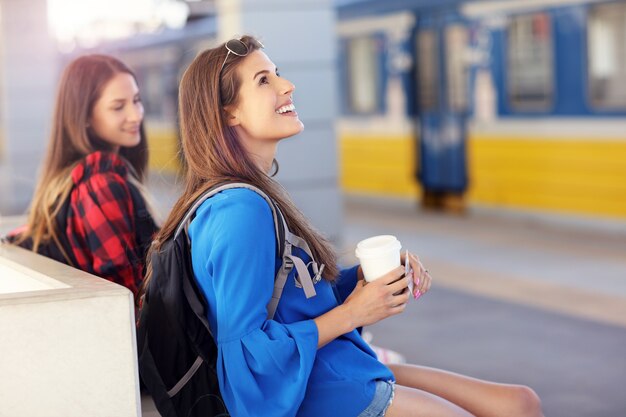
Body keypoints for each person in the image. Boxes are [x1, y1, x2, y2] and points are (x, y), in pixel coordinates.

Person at [142, 36, 543, 417]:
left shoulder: (251, 195)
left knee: (519, 403)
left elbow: (291, 302)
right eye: (264, 80)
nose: (287, 85)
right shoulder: (240, 209)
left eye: (277, 72)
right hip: (318, 391)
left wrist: (367, 280)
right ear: (228, 112)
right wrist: (354, 313)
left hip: (337, 368)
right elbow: (247, 354)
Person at [9, 54, 159, 299]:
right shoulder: (101, 185)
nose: (136, 115)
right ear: (85, 116)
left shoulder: (71, 180)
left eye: (136, 100)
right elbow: (127, 294)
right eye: (118, 106)